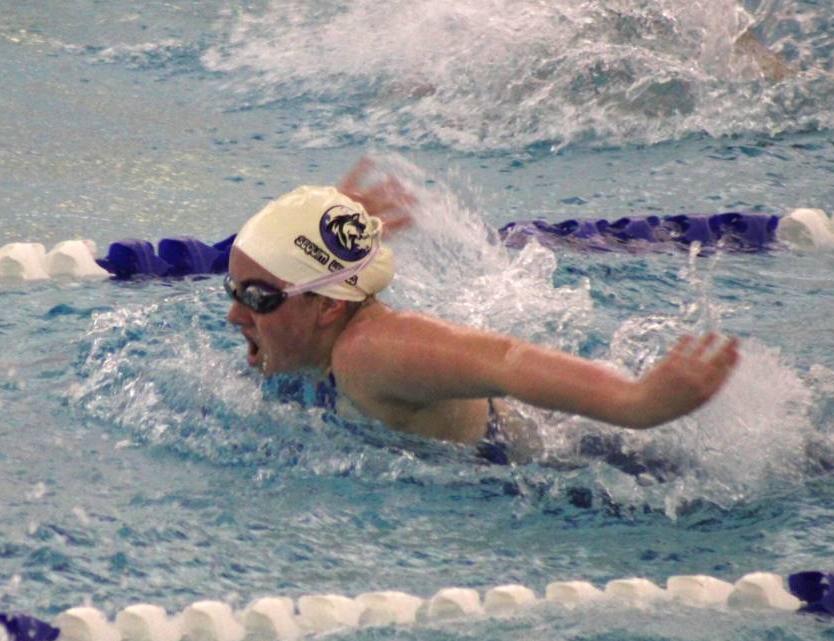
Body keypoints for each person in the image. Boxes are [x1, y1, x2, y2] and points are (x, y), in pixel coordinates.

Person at [225, 161, 740, 463]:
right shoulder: (324, 331)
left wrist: (637, 403)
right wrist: (329, 222)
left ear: (325, 308)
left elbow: (507, 363)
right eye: (233, 290)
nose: (234, 316)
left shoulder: (370, 353)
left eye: (257, 298)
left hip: (585, 467)